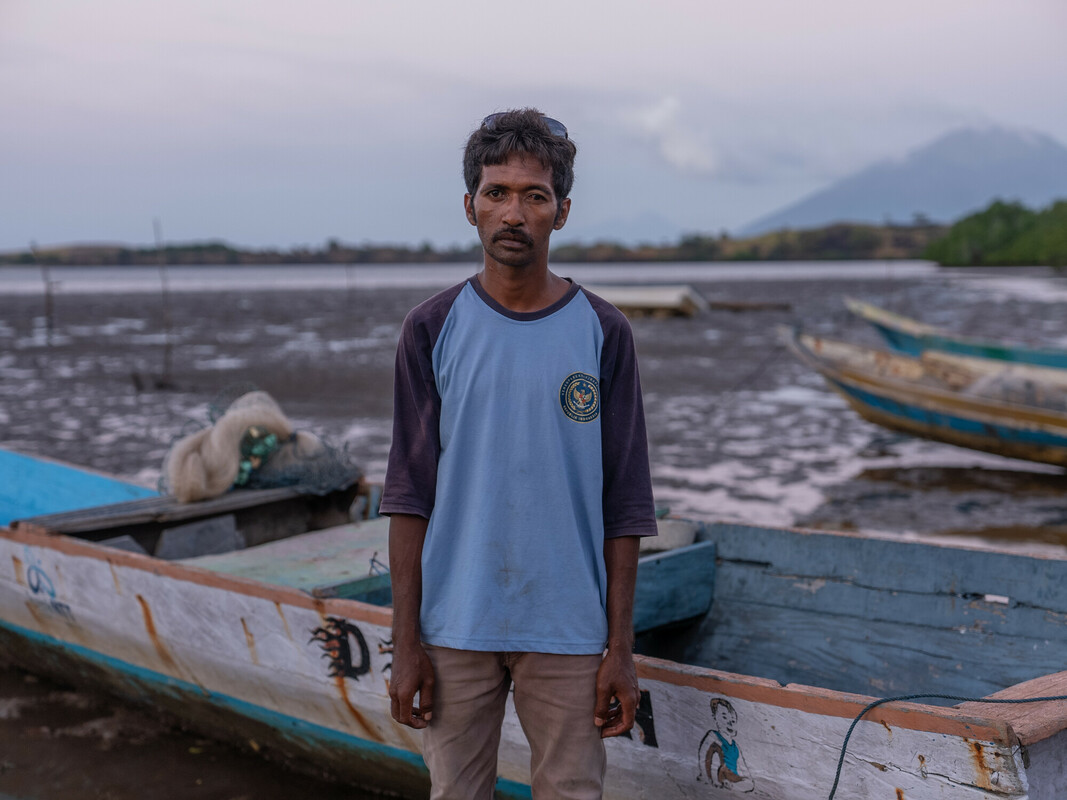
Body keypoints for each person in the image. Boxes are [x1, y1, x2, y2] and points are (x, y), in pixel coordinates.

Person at [379, 108, 658, 800]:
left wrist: (619, 650)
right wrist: (405, 642)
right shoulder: (431, 329)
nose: (513, 212)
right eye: (496, 192)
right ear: (468, 206)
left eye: (533, 196)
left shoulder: (601, 332)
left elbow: (624, 503)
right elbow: (408, 494)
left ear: (561, 212)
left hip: (566, 630)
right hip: (454, 625)